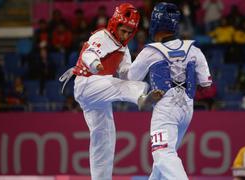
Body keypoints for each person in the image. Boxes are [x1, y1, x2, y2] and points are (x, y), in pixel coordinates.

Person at [59, 3, 162, 180]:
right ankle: (141, 98)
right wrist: (95, 64)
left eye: (130, 32)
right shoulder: (102, 36)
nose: (126, 35)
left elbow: (126, 74)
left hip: (100, 93)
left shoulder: (124, 49)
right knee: (124, 87)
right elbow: (88, 54)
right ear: (114, 25)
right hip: (87, 84)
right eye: (124, 30)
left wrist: (143, 65)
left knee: (104, 138)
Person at [128, 2, 212, 179]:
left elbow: (131, 77)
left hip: (165, 109)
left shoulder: (150, 51)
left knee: (162, 154)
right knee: (164, 159)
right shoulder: (194, 50)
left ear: (155, 24)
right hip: (187, 109)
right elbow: (206, 83)